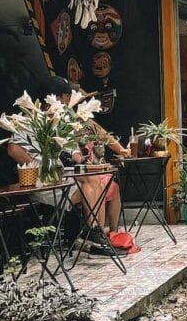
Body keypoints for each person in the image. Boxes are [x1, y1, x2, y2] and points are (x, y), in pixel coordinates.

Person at [7, 77, 129, 257]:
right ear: (56, 97)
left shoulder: (59, 121)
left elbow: (72, 152)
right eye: (65, 98)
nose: (66, 102)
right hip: (42, 183)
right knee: (93, 183)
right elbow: (12, 149)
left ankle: (95, 233)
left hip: (59, 179)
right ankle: (94, 235)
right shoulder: (29, 121)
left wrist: (82, 160)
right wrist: (38, 167)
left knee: (95, 181)